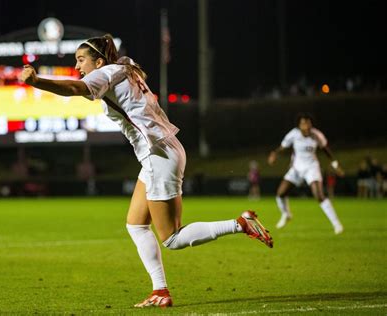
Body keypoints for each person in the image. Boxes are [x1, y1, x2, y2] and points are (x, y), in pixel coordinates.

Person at [19, 34, 273, 308]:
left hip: (157, 155)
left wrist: (37, 82)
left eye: (81, 59)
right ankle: (160, 291)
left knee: (172, 238)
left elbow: (74, 88)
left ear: (100, 61)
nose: (78, 65)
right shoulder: (123, 69)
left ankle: (240, 224)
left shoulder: (106, 72)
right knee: (136, 225)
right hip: (164, 150)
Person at [267, 113, 344, 234]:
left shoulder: (317, 135)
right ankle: (286, 215)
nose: (306, 126)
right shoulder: (294, 134)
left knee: (318, 195)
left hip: (311, 168)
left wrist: (336, 165)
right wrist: (274, 153)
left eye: (308, 123)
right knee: (280, 194)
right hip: (296, 168)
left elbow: (326, 151)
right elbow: (283, 146)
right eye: (303, 123)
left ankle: (337, 224)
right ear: (299, 125)